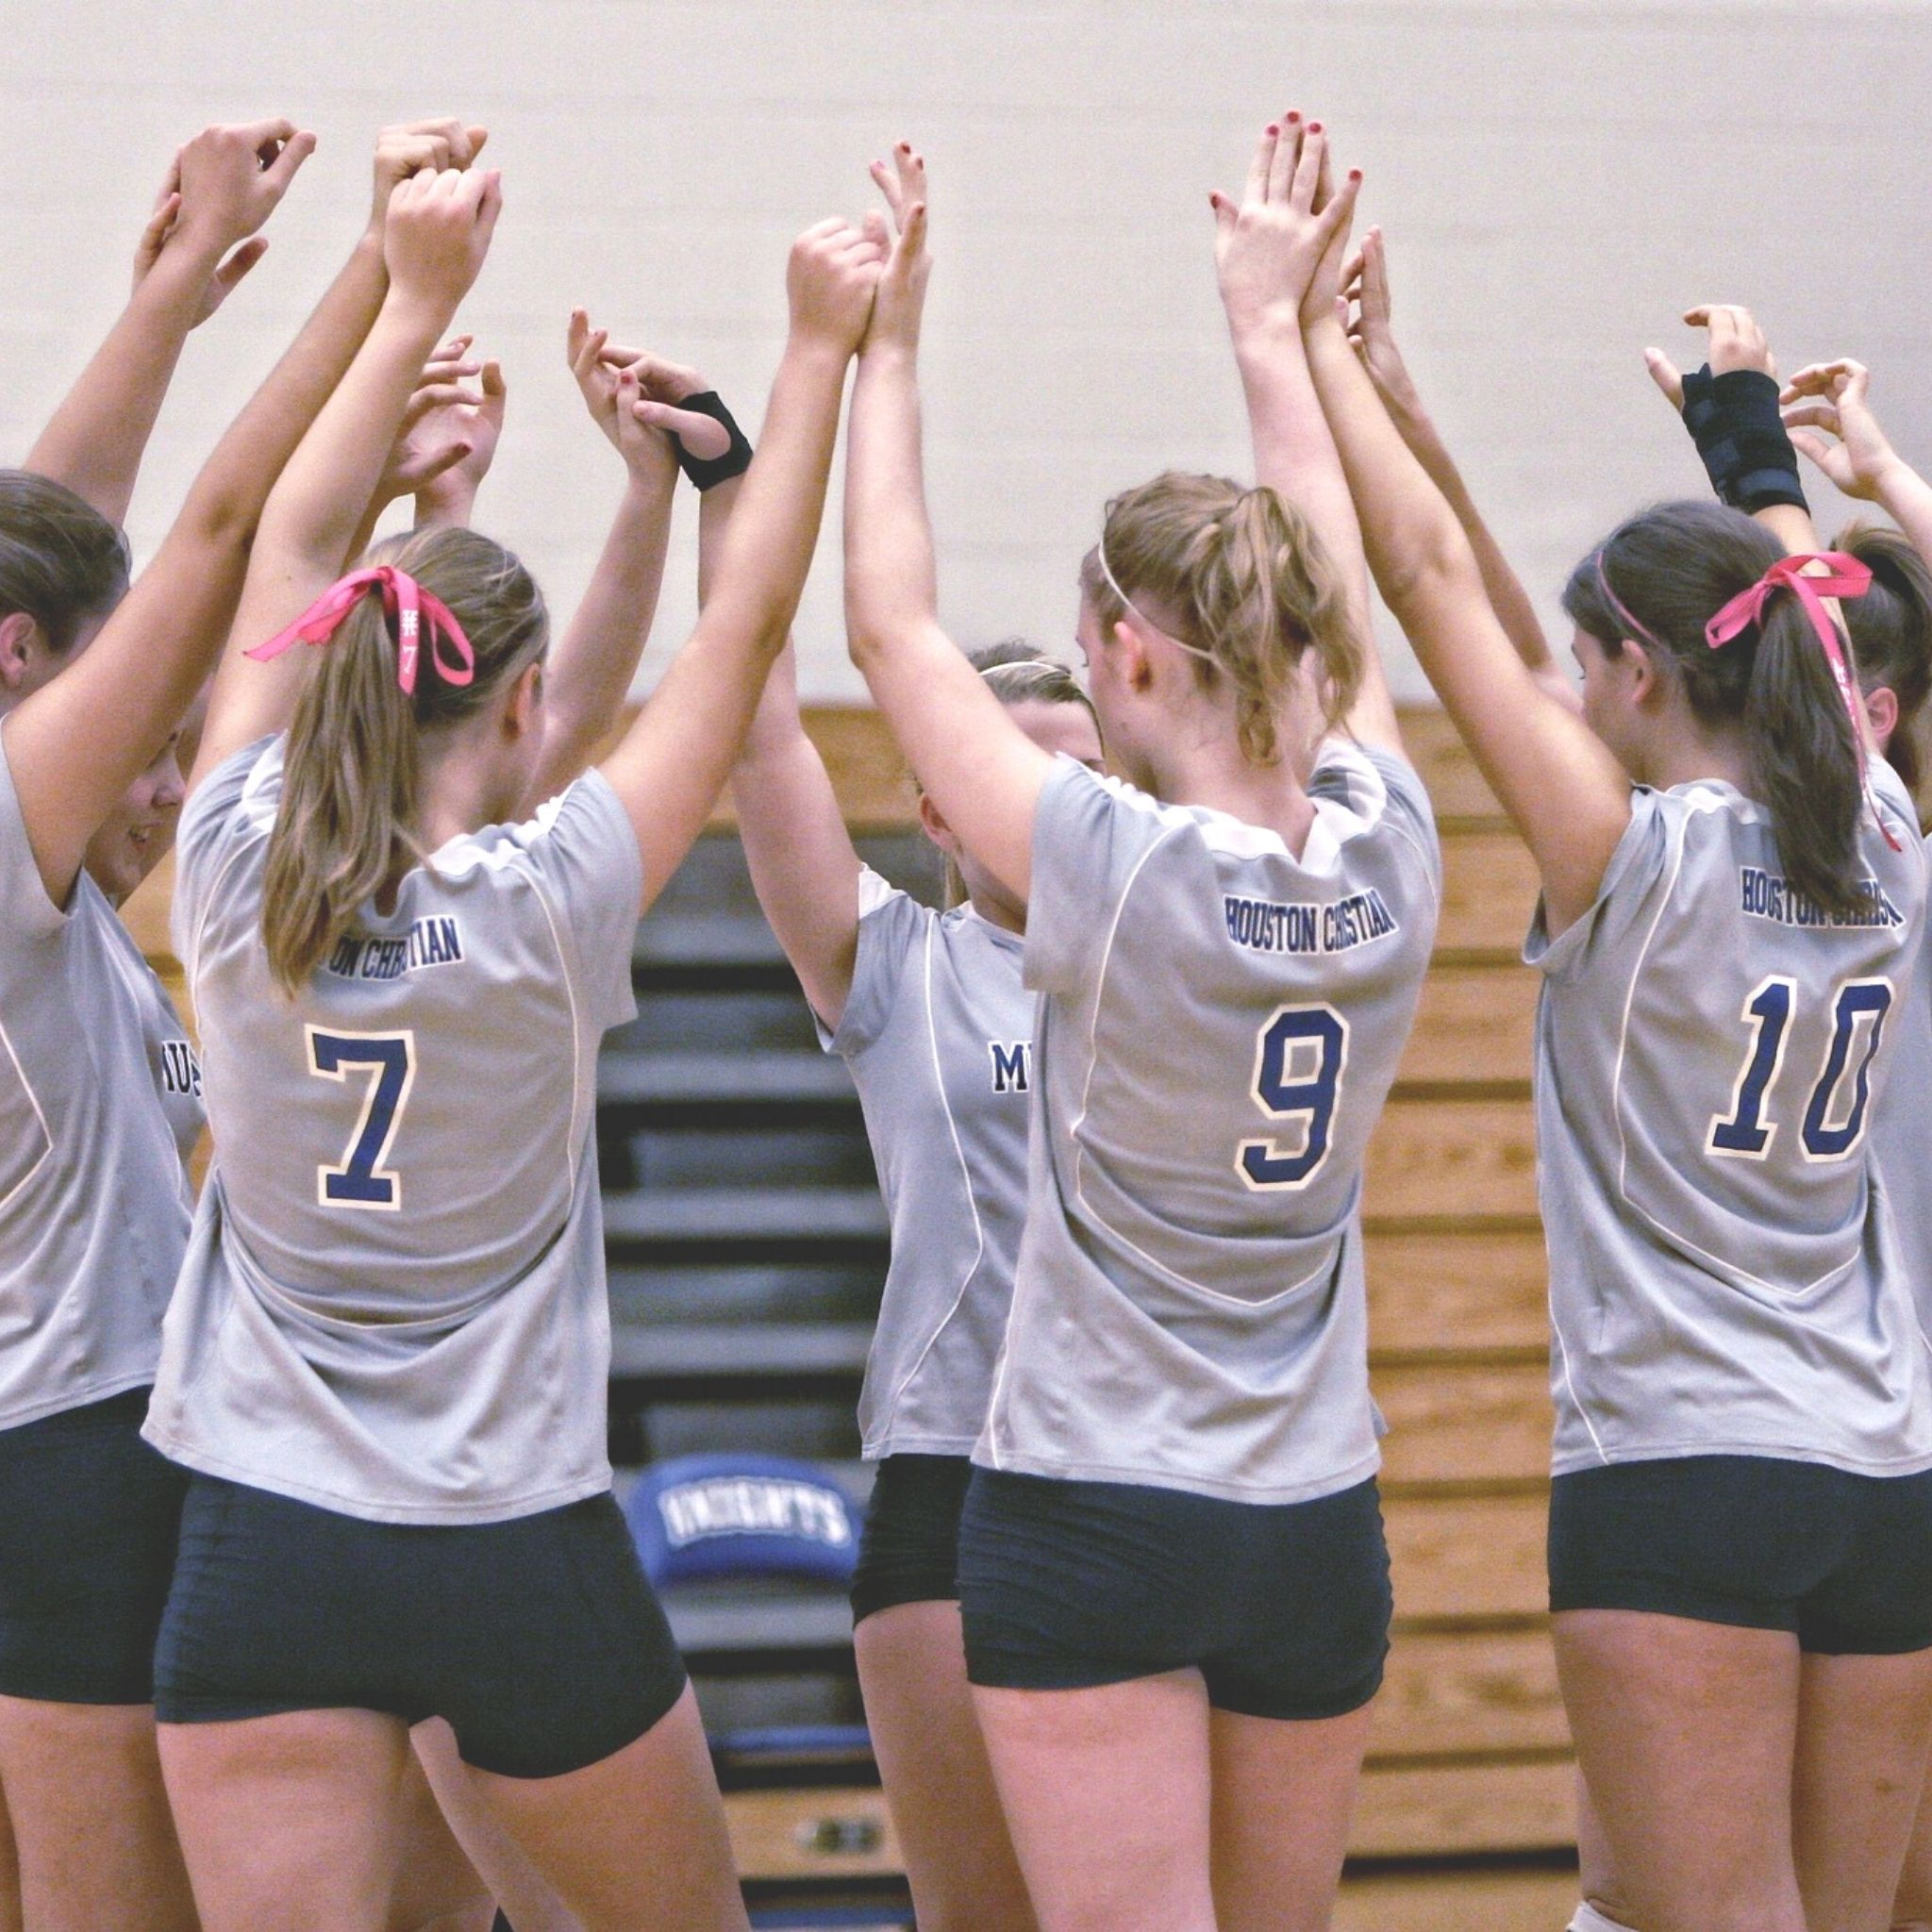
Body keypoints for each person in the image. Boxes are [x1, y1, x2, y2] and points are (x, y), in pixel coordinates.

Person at [141, 156, 884, 1930]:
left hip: (262, 1545)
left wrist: (404, 300)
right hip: (509, 1544)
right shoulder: (546, 907)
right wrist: (785, 377)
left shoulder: (230, 864)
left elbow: (294, 544)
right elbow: (737, 642)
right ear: (529, 709)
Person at [1303, 108, 1932, 1922]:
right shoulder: (1880, 823)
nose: (1557, 688)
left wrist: (1321, 365)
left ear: (1640, 679)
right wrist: (1744, 439)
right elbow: (1794, 584)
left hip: (1686, 1477)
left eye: (1583, 664)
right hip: (1882, 1480)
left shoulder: (1632, 864)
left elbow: (1430, 593)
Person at [840, 126, 1438, 1932]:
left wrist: (886, 346)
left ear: (1128, 663)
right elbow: (1347, 607)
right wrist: (1271, 330)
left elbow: (888, 626)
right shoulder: (1394, 849)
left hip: (1095, 1505)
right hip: (1313, 1515)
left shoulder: (1102, 858)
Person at [0, 111, 384, 1932]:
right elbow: (215, 537)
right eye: (135, 720)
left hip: (98, 1440)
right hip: (65, 1454)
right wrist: (391, 277)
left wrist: (168, 294)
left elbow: (53, 537)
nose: (156, 767)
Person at [730, 617, 1100, 1930]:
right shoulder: (898, 965)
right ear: (941, 812)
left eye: (1086, 779)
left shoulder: (1179, 951)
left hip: (1150, 1468)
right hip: (959, 1473)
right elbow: (759, 728)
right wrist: (727, 500)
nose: (1058, 811)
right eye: (1021, 772)